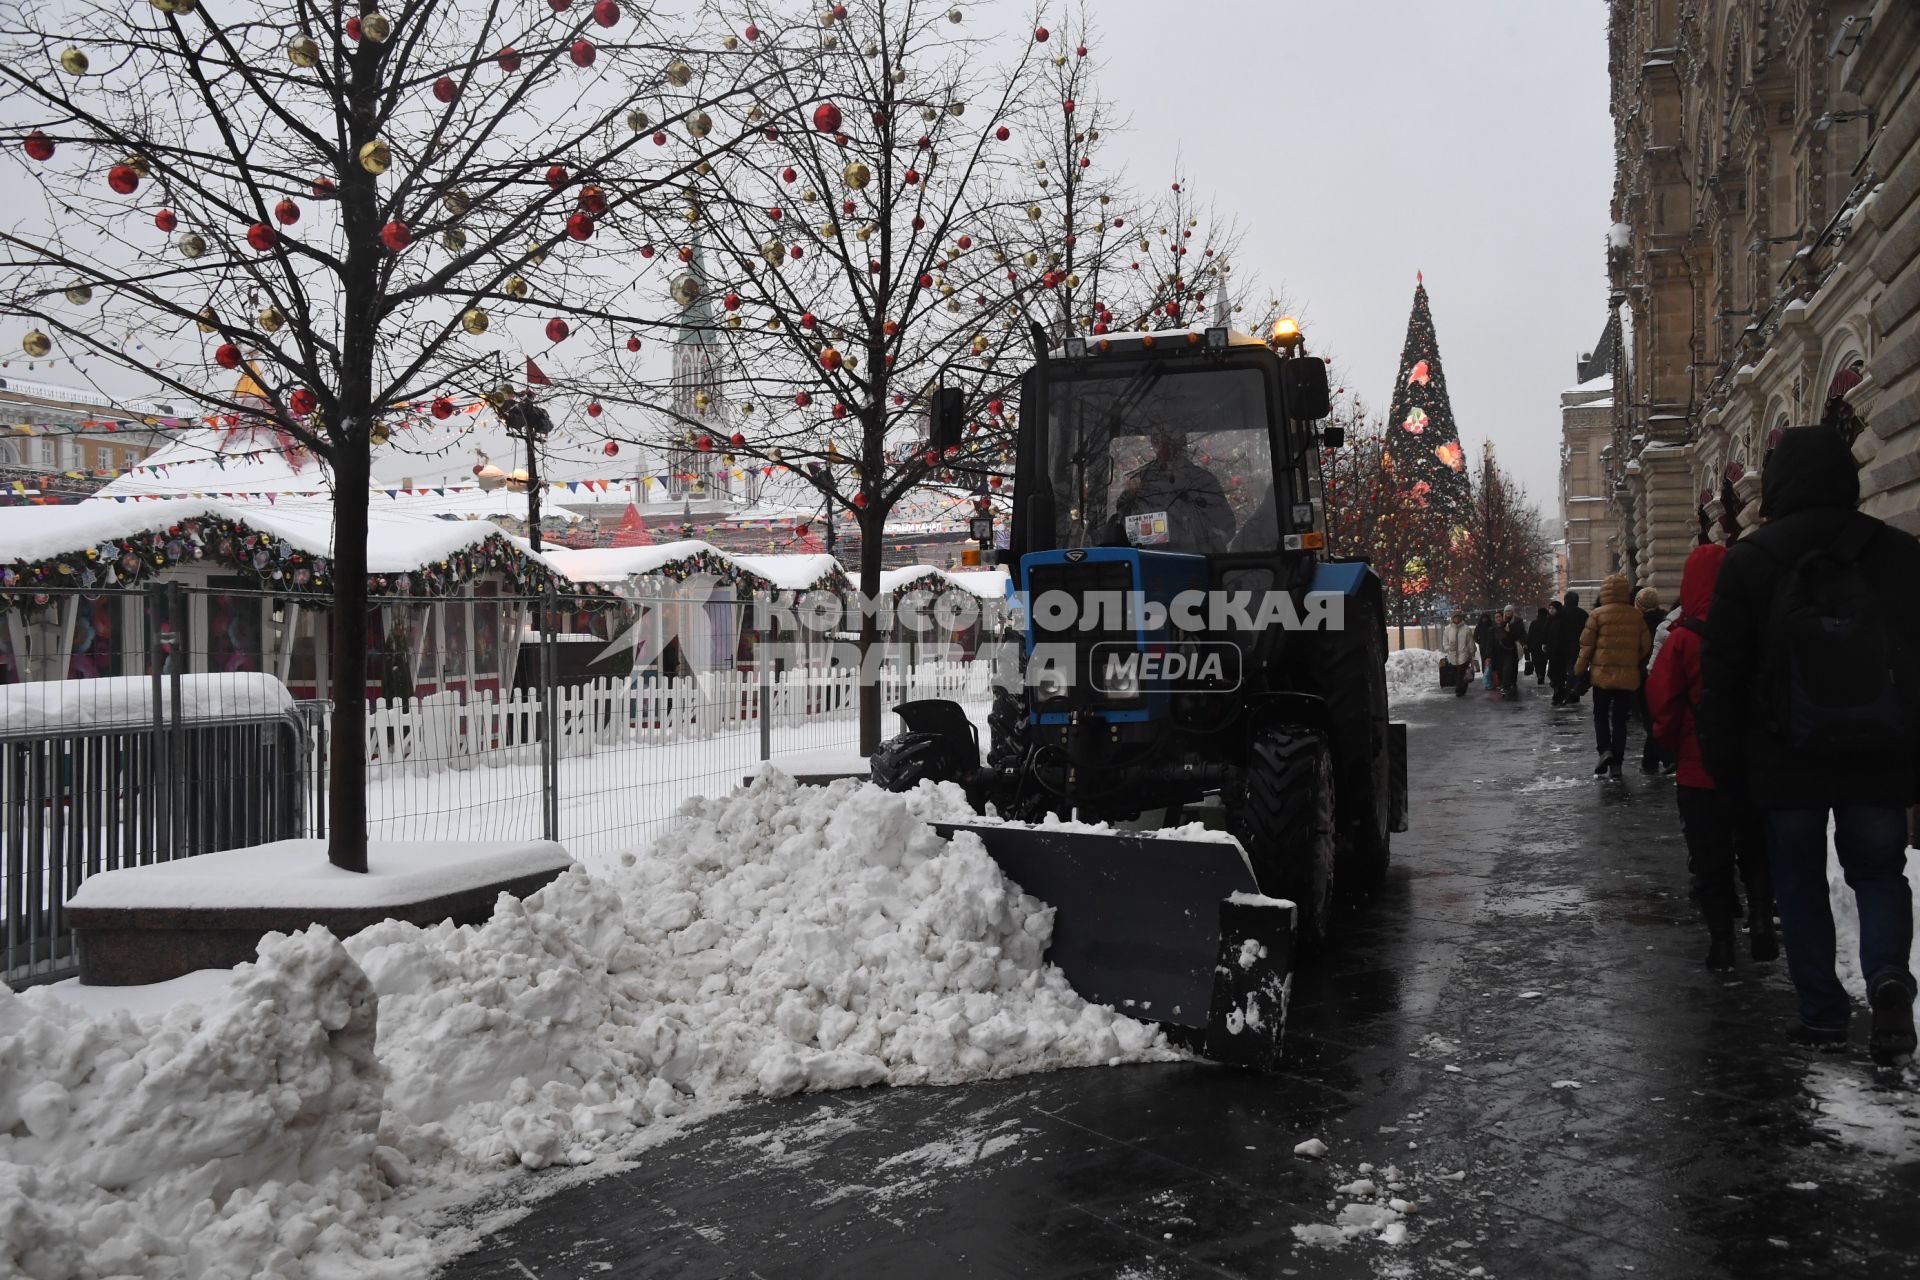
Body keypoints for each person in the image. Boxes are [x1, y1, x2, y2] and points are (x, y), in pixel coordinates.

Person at [1698, 425, 1920, 1063]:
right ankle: (1887, 978)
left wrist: (1723, 763)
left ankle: (1822, 1014)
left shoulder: (1750, 560)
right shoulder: (1899, 553)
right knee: (1880, 872)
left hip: (1783, 757)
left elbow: (1725, 674)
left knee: (1797, 882)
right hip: (1878, 753)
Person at [1648, 543, 1776, 971]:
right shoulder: (1760, 629)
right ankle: (1760, 916)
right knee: (1755, 845)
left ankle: (1721, 942)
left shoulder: (1682, 639)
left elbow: (1662, 703)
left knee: (1710, 855)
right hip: (1755, 764)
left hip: (1700, 767)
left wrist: (1670, 744)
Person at [1574, 573, 1651, 780]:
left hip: (1602, 677)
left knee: (1600, 714)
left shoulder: (1597, 615)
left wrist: (1579, 670)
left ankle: (1604, 750)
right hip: (1627, 678)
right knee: (1619, 720)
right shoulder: (1636, 616)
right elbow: (1646, 647)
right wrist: (1631, 659)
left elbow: (1586, 646)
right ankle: (1617, 763)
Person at [1111, 426, 1235, 552]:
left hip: (1201, 564)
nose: (1165, 448)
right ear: (1153, 444)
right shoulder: (1140, 485)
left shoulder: (1204, 482)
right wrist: (1130, 495)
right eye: (1157, 440)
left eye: (1170, 440)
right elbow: (1124, 530)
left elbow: (1226, 526)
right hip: (1152, 564)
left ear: (1182, 443)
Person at [1636, 587, 1674, 775]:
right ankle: (1654, 760)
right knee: (1661, 716)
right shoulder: (1667, 620)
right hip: (1666, 673)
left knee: (1650, 720)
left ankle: (1660, 759)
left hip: (1644, 676)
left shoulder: (1636, 624)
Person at [1550, 590, 1589, 705]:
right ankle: (1573, 692)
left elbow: (1552, 630)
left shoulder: (1560, 613)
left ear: (1565, 600)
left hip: (1560, 646)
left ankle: (1561, 691)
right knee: (1574, 669)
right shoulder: (1583, 614)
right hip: (1577, 646)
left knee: (1559, 671)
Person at [1442, 610, 1476, 698]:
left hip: (1464, 655)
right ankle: (1463, 687)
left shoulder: (1466, 629)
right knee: (1456, 674)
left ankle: (1458, 690)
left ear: (1460, 618)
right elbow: (1445, 642)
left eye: (1458, 617)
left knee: (1460, 673)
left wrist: (1472, 652)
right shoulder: (1447, 629)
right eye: (1455, 617)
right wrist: (1448, 648)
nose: (1456, 619)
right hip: (1452, 656)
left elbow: (1470, 642)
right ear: (1452, 618)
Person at [1498, 605, 1526, 701]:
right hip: (1505, 648)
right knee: (1507, 666)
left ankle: (1513, 682)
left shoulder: (1518, 621)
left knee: (1514, 665)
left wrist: (1524, 643)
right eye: (1506, 611)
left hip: (1515, 647)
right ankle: (1506, 685)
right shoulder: (1503, 622)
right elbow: (1501, 635)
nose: (1508, 613)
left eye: (1510, 611)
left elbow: (1520, 634)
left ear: (1513, 612)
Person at [1528, 605, 1554, 685]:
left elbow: (1530, 635)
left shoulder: (1533, 623)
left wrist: (1528, 646)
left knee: (1536, 662)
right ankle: (1542, 675)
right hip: (1544, 645)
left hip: (1534, 646)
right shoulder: (1549, 622)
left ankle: (1539, 674)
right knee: (1543, 662)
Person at [1474, 611, 1498, 690]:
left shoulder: (1491, 625)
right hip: (1483, 647)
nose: (1484, 620)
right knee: (1485, 662)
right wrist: (1480, 642)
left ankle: (1493, 679)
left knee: (1493, 662)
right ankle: (1487, 679)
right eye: (1483, 618)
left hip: (1492, 647)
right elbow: (1475, 636)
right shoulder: (1479, 626)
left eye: (1486, 618)